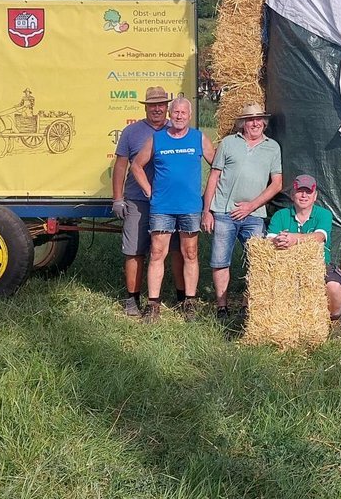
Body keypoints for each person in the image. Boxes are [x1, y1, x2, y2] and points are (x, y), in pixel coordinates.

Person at [130, 96, 215, 323]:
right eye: (175, 112)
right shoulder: (157, 139)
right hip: (162, 207)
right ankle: (153, 305)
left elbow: (217, 167)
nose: (179, 116)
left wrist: (210, 199)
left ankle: (190, 302)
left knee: (190, 253)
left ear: (190, 115)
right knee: (157, 253)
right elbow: (136, 165)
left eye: (183, 113)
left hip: (190, 207)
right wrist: (149, 190)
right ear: (170, 114)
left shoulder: (198, 138)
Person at [202, 102, 283, 321]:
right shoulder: (228, 143)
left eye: (258, 119)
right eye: (250, 120)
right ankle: (222, 307)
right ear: (243, 123)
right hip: (224, 211)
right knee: (220, 260)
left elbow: (277, 184)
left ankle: (249, 305)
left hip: (254, 215)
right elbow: (214, 176)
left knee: (257, 260)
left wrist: (252, 205)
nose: (255, 123)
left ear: (264, 123)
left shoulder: (273, 147)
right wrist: (207, 211)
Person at [110, 86, 185, 317]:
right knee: (135, 250)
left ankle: (182, 298)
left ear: (167, 107)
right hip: (138, 200)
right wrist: (118, 199)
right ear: (146, 107)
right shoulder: (131, 132)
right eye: (153, 105)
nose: (157, 109)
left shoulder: (177, 130)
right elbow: (120, 166)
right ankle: (132, 299)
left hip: (171, 202)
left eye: (161, 104)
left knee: (177, 250)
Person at [264, 174, 339, 328]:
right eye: (300, 191)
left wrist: (294, 239)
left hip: (319, 265)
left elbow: (319, 237)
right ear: (292, 195)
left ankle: (335, 319)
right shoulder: (280, 215)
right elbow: (269, 239)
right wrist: (278, 240)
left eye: (308, 192)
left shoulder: (324, 214)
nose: (304, 195)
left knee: (334, 287)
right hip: (284, 266)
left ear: (315, 196)